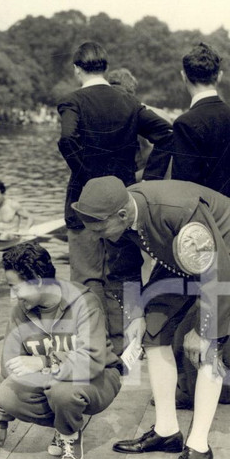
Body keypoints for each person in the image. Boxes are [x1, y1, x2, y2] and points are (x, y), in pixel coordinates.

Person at [73, 176, 230, 459]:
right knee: (153, 333)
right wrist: (135, 315)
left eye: (99, 229)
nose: (95, 237)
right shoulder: (118, 219)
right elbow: (123, 268)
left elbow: (215, 270)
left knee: (208, 350)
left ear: (122, 215)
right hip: (182, 254)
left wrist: (203, 330)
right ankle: (166, 430)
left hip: (223, 251)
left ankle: (199, 448)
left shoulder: (178, 211)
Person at [57, 41, 173, 304]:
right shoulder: (128, 102)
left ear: (77, 70)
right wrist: (150, 182)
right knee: (123, 277)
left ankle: (97, 344)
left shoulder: (72, 101)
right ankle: (127, 342)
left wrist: (88, 177)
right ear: (105, 68)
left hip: (83, 203)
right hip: (123, 202)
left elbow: (67, 140)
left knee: (87, 280)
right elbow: (166, 134)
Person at [169, 42, 230, 406]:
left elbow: (185, 189)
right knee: (225, 302)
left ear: (183, 76)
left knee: (192, 301)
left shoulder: (186, 124)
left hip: (200, 227)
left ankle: (190, 389)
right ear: (219, 75)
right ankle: (226, 385)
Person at [0, 241, 122, 459]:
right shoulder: (19, 312)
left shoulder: (84, 301)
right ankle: (62, 423)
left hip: (98, 378)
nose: (13, 296)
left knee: (62, 390)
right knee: (8, 394)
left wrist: (45, 361)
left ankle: (69, 434)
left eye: (16, 287)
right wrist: (0, 419)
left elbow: (92, 361)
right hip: (52, 380)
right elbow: (8, 364)